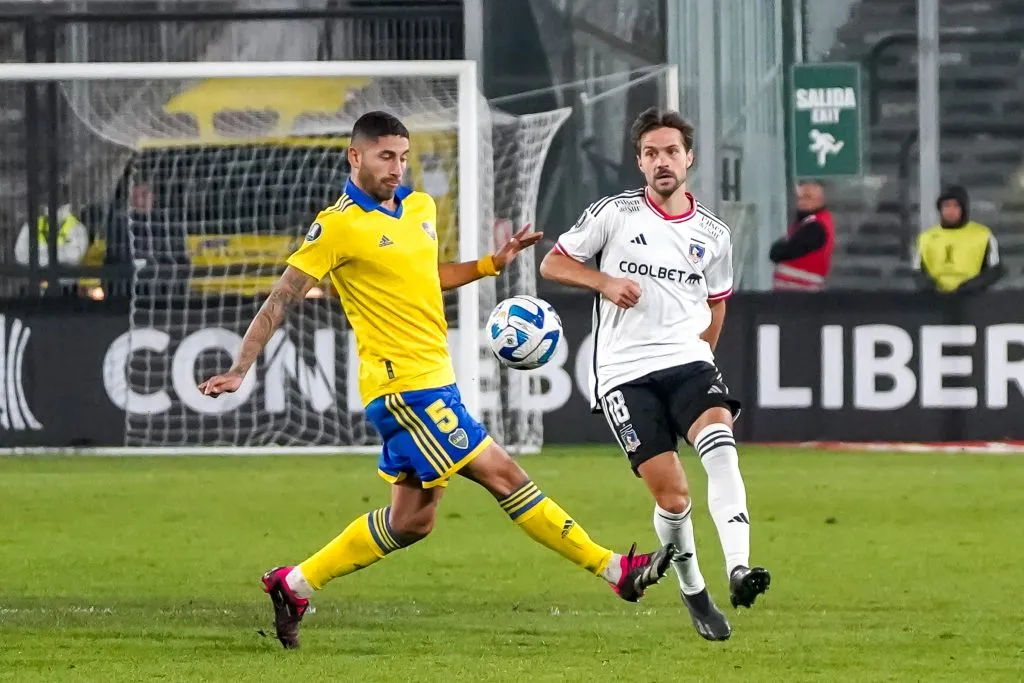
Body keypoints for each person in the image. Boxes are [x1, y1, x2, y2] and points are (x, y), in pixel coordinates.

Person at [198, 111, 674, 650]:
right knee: (505, 475)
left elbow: (427, 275)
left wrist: (490, 264)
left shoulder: (418, 208)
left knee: (411, 522)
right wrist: (240, 367)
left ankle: (293, 584)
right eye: (385, 156)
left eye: (403, 157)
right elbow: (282, 296)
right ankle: (615, 570)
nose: (397, 168)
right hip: (404, 389)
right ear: (355, 156)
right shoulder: (337, 226)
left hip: (432, 381)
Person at [539, 106, 770, 642]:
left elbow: (717, 302)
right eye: (650, 153)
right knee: (673, 499)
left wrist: (703, 356)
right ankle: (695, 591)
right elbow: (553, 263)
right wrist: (603, 282)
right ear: (639, 162)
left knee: (721, 444)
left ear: (689, 158)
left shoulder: (713, 233)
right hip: (624, 373)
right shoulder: (614, 214)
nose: (661, 161)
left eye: (671, 151)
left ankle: (739, 567)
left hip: (687, 361)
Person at [913, 185, 1002, 293]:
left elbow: (995, 270)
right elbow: (917, 271)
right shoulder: (926, 238)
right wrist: (928, 286)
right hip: (936, 298)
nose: (951, 211)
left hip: (972, 297)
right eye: (946, 206)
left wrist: (973, 285)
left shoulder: (983, 235)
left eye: (956, 206)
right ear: (940, 209)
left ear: (964, 209)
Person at [768, 180, 835, 291]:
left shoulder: (816, 226)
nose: (802, 202)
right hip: (794, 290)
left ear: (820, 200)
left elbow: (786, 251)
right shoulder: (806, 222)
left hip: (799, 290)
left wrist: (779, 248)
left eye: (808, 197)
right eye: (800, 198)